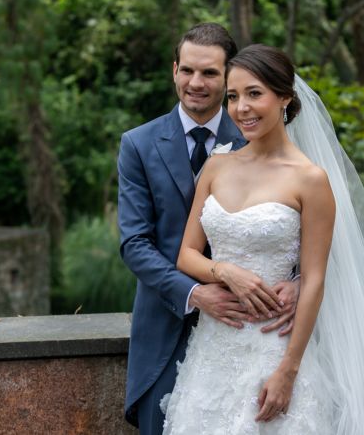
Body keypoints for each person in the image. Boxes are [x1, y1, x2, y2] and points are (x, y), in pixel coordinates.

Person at [161, 44, 364, 434]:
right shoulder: (217, 166)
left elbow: (315, 278)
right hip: (212, 352)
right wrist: (226, 272)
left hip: (274, 349)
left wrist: (288, 370)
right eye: (233, 97)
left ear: (284, 96)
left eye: (255, 94)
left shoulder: (310, 179)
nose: (242, 108)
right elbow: (186, 255)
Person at [117, 24, 301, 435]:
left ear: (227, 75)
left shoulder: (262, 129)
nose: (195, 83)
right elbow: (134, 243)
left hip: (257, 328)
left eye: (210, 74)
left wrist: (300, 279)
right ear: (175, 70)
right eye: (187, 71)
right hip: (167, 320)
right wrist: (196, 293)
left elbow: (305, 232)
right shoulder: (138, 144)